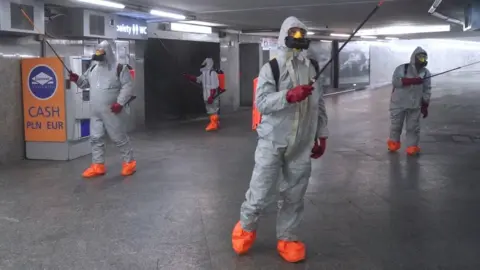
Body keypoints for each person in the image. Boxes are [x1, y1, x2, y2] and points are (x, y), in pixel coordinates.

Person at [231, 16, 328, 263]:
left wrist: (321, 134)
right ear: (285, 34)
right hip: (272, 141)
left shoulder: (312, 68)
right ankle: (246, 227)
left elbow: (320, 104)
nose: (297, 37)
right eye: (293, 32)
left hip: (302, 143)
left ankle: (288, 237)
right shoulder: (271, 68)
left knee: (294, 193)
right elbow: (261, 102)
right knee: (260, 190)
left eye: (301, 33)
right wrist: (288, 96)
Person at [69, 40, 137, 178]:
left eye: (101, 52)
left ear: (108, 52)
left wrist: (120, 103)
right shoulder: (94, 68)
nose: (98, 55)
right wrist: (77, 79)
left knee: (118, 137)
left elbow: (127, 86)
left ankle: (129, 163)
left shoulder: (120, 68)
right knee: (95, 138)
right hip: (95, 111)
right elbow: (85, 83)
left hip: (112, 111)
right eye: (97, 52)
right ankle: (97, 165)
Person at [387, 47, 431, 155]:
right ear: (414, 57)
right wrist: (411, 81)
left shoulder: (425, 73)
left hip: (415, 105)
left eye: (424, 57)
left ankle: (412, 147)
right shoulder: (402, 68)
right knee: (396, 125)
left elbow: (427, 89)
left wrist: (425, 104)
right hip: (398, 103)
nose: (422, 59)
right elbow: (395, 82)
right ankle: (393, 143)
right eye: (420, 57)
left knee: (413, 127)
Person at [183, 58, 221, 131]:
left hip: (212, 96)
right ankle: (216, 123)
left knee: (213, 110)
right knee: (210, 110)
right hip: (207, 95)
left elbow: (214, 86)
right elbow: (198, 79)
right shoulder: (205, 74)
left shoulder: (212, 73)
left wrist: (211, 96)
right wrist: (189, 77)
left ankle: (213, 124)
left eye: (205, 63)